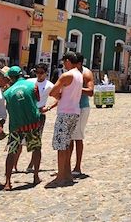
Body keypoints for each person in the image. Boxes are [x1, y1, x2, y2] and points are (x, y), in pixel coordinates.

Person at [2, 66, 43, 190]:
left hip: (16, 126)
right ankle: (35, 176)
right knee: (36, 148)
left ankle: (8, 182)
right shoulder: (32, 85)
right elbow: (38, 99)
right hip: (33, 123)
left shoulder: (7, 92)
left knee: (12, 151)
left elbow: (7, 107)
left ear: (11, 78)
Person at [46, 52, 82, 188]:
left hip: (64, 113)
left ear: (68, 61)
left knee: (61, 146)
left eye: (63, 62)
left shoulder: (67, 75)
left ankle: (60, 176)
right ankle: (67, 174)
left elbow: (52, 92)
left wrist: (59, 95)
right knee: (67, 144)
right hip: (75, 111)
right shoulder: (79, 75)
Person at [24, 64, 54, 173]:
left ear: (46, 73)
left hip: (39, 115)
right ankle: (15, 165)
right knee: (22, 139)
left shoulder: (50, 85)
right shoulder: (29, 82)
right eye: (37, 72)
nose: (39, 75)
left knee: (36, 140)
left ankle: (32, 164)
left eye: (41, 73)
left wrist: (49, 107)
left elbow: (59, 96)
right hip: (27, 114)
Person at [70, 52, 94, 178]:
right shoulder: (69, 73)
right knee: (69, 138)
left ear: (78, 63)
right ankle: (66, 166)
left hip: (82, 107)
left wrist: (75, 88)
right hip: (70, 108)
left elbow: (90, 92)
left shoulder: (86, 73)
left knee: (78, 137)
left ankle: (78, 166)